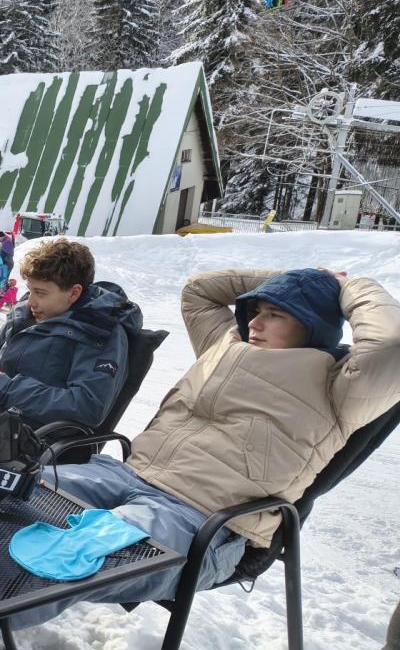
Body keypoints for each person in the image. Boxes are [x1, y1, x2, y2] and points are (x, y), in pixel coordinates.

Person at [23, 266, 400, 626]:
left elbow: (392, 344)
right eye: (256, 310)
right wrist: (293, 282)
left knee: (73, 557)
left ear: (313, 325)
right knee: (9, 490)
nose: (255, 323)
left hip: (197, 518)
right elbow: (199, 290)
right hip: (125, 476)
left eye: (275, 315)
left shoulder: (343, 388)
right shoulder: (225, 343)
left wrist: (344, 286)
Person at [0, 237, 141, 429]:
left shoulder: (100, 330)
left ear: (74, 293)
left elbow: (88, 406)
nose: (30, 301)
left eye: (40, 293)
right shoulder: (28, 313)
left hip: (31, 438)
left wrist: (6, 388)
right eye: (30, 290)